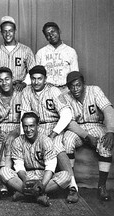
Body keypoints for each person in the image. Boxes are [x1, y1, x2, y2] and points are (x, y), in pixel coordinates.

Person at [21, 65, 79, 203]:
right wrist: (24, 135)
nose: (36, 82)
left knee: (57, 146)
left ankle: (73, 187)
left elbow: (66, 114)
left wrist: (53, 134)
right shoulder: (26, 91)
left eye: (39, 79)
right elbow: (23, 115)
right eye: (33, 79)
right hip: (36, 127)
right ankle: (31, 187)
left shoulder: (53, 90)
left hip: (54, 126)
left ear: (45, 79)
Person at [0, 112, 71, 206]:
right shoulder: (17, 142)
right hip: (26, 175)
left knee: (66, 176)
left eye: (31, 126)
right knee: (3, 171)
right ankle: (38, 196)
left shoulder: (46, 141)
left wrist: (43, 185)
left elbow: (50, 168)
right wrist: (25, 181)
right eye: (25, 126)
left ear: (38, 125)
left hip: (44, 176)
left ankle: (25, 195)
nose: (28, 130)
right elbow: (19, 166)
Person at [63, 71, 114, 201]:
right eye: (72, 86)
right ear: (68, 87)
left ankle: (101, 186)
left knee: (106, 144)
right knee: (67, 141)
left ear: (83, 84)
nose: (75, 89)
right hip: (76, 127)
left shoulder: (94, 90)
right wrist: (87, 136)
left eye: (78, 85)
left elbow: (108, 109)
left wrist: (110, 131)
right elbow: (69, 122)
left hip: (95, 125)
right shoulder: (65, 96)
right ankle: (71, 185)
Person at [0, 67, 22, 195]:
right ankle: (2, 180)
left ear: (12, 80)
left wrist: (15, 132)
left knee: (11, 142)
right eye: (0, 80)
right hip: (0, 129)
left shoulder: (22, 95)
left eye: (7, 79)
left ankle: (6, 180)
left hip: (20, 129)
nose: (4, 83)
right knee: (0, 142)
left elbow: (28, 119)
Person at [0, 16, 35, 95]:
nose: (7, 34)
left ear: (15, 31)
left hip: (21, 89)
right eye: (5, 31)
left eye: (10, 31)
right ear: (1, 32)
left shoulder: (26, 50)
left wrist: (24, 83)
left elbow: (32, 71)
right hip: (2, 89)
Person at [36, 22, 79, 92]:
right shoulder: (40, 53)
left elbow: (75, 74)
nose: (51, 35)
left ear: (59, 31)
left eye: (53, 31)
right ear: (46, 38)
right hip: (47, 90)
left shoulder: (70, 51)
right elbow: (37, 75)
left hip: (66, 89)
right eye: (47, 34)